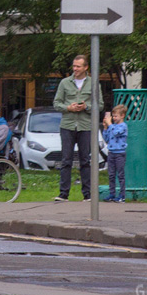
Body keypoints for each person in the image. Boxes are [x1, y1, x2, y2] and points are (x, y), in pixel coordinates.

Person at [53, 54, 104, 201]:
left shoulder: (93, 83)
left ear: (85, 67)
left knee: (85, 160)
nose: (75, 69)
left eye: (78, 66)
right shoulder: (64, 83)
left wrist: (86, 107)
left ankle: (87, 194)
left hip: (85, 126)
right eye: (74, 66)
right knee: (66, 160)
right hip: (67, 125)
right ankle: (63, 194)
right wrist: (68, 107)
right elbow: (56, 103)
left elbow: (100, 105)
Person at [103, 104, 128, 202]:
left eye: (116, 116)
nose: (113, 118)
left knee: (120, 175)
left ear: (122, 116)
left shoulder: (123, 126)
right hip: (111, 152)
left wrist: (109, 125)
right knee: (111, 174)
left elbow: (117, 133)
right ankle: (112, 193)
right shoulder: (112, 126)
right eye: (113, 116)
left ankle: (122, 195)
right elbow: (107, 139)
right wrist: (105, 128)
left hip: (120, 153)